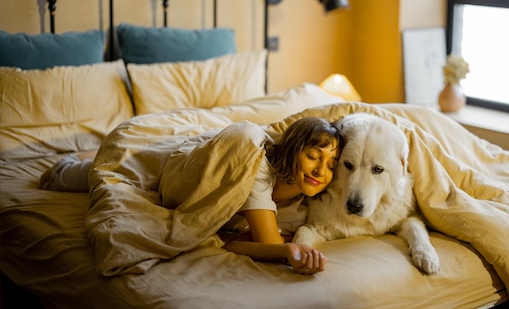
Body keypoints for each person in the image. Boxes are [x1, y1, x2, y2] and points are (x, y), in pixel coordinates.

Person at [40, 116, 344, 275]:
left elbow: (231, 242)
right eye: (314, 156)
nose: (322, 171)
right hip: (172, 167)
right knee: (105, 169)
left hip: (196, 155)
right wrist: (287, 250)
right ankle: (68, 162)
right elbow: (269, 242)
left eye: (331, 165)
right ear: (293, 150)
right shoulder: (258, 170)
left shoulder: (300, 204)